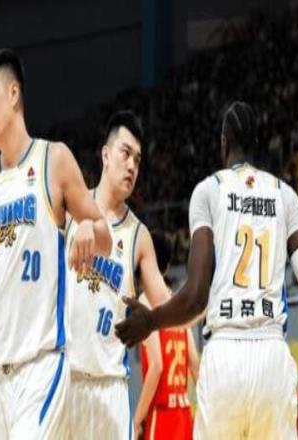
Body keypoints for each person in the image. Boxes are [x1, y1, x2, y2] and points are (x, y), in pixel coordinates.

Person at [116, 101, 298, 439]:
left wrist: (151, 321)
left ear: (224, 143)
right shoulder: (285, 196)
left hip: (226, 354)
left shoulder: (208, 191)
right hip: (271, 356)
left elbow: (195, 297)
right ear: (257, 144)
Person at [0, 48, 112, 439]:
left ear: (13, 94)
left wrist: (90, 228)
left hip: (42, 367)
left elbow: (105, 236)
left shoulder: (52, 159)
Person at [66, 111, 171, 439]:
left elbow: (166, 304)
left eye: (137, 160)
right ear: (105, 155)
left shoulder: (139, 236)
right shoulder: (69, 209)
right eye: (125, 154)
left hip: (111, 388)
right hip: (65, 379)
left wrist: (205, 294)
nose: (131, 166)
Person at [135, 230, 199, 440]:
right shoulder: (177, 304)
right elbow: (194, 363)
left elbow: (157, 366)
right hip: (184, 413)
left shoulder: (146, 303)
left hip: (162, 415)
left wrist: (137, 419)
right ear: (168, 266)